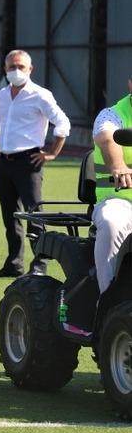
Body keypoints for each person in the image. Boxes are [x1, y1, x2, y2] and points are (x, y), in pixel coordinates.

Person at [0, 50, 70, 278]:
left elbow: (62, 122)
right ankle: (14, 263)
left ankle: (40, 263)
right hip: (5, 162)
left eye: (21, 66)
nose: (16, 71)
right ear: (5, 69)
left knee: (34, 214)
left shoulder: (40, 95)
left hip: (28, 161)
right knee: (9, 215)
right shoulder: (3, 94)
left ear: (30, 69)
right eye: (12, 66)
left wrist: (52, 152)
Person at [92, 76, 132, 294]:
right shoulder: (111, 115)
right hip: (120, 200)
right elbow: (107, 138)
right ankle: (108, 300)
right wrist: (119, 166)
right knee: (111, 223)